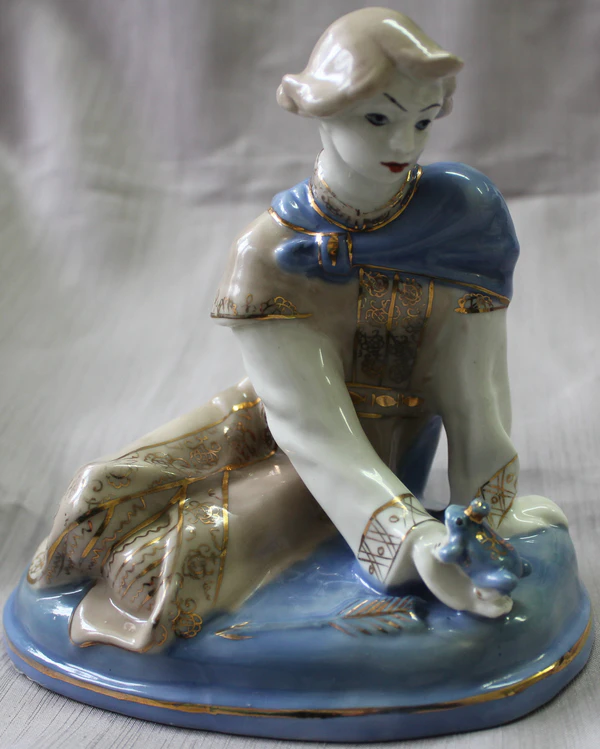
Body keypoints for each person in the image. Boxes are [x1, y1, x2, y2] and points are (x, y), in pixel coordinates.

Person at [27, 8, 566, 652]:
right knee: (97, 495)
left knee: (158, 566)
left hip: (376, 447)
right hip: (284, 417)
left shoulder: (464, 219)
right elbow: (301, 414)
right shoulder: (266, 251)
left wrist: (472, 520)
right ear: (320, 109)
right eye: (378, 118)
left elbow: (477, 394)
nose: (405, 143)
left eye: (423, 121)